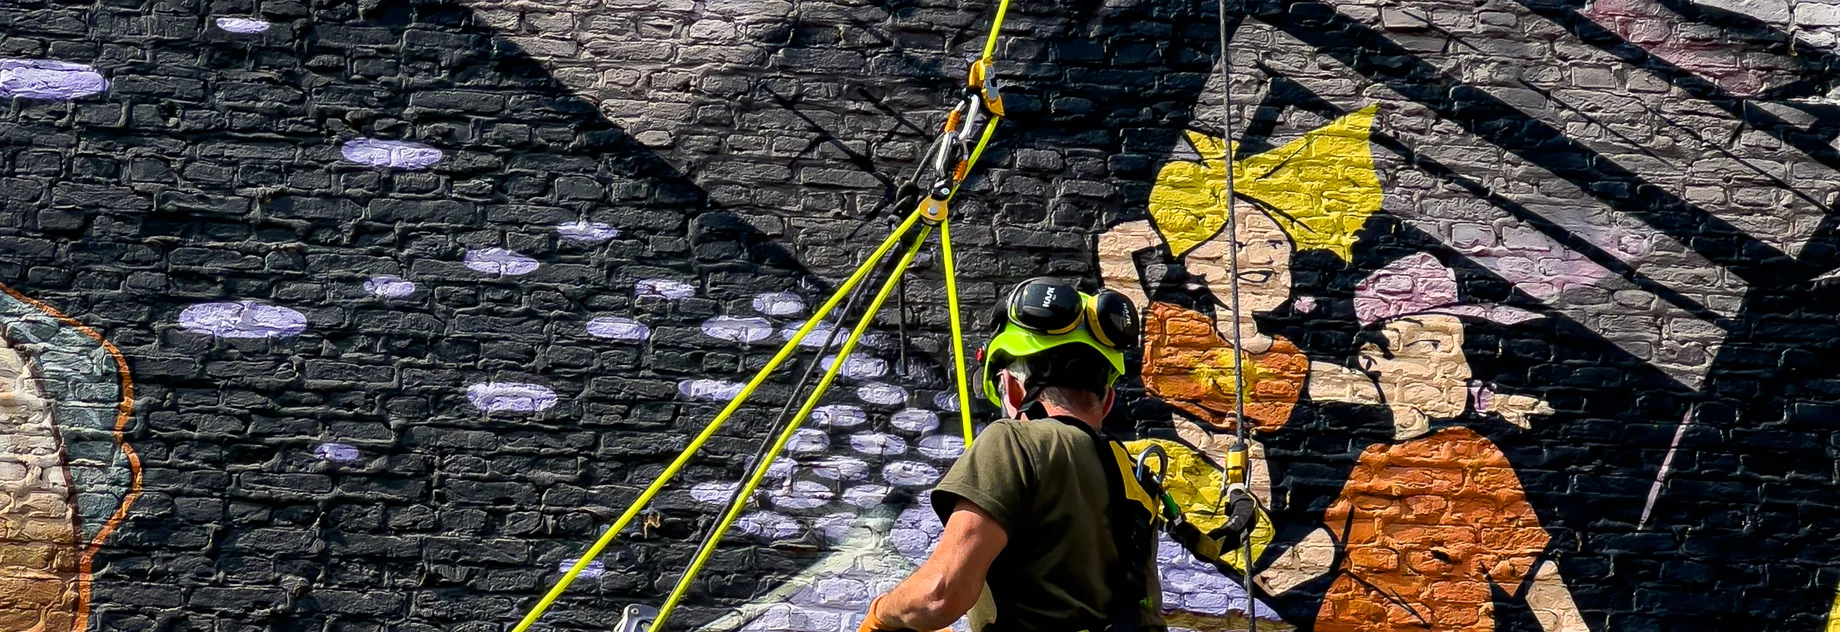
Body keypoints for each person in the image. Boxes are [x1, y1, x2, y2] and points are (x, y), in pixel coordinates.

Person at [856, 278, 1254, 632]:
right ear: (1108, 400)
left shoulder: (1014, 442)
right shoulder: (1136, 476)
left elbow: (940, 596)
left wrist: (881, 613)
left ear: (1011, 389)